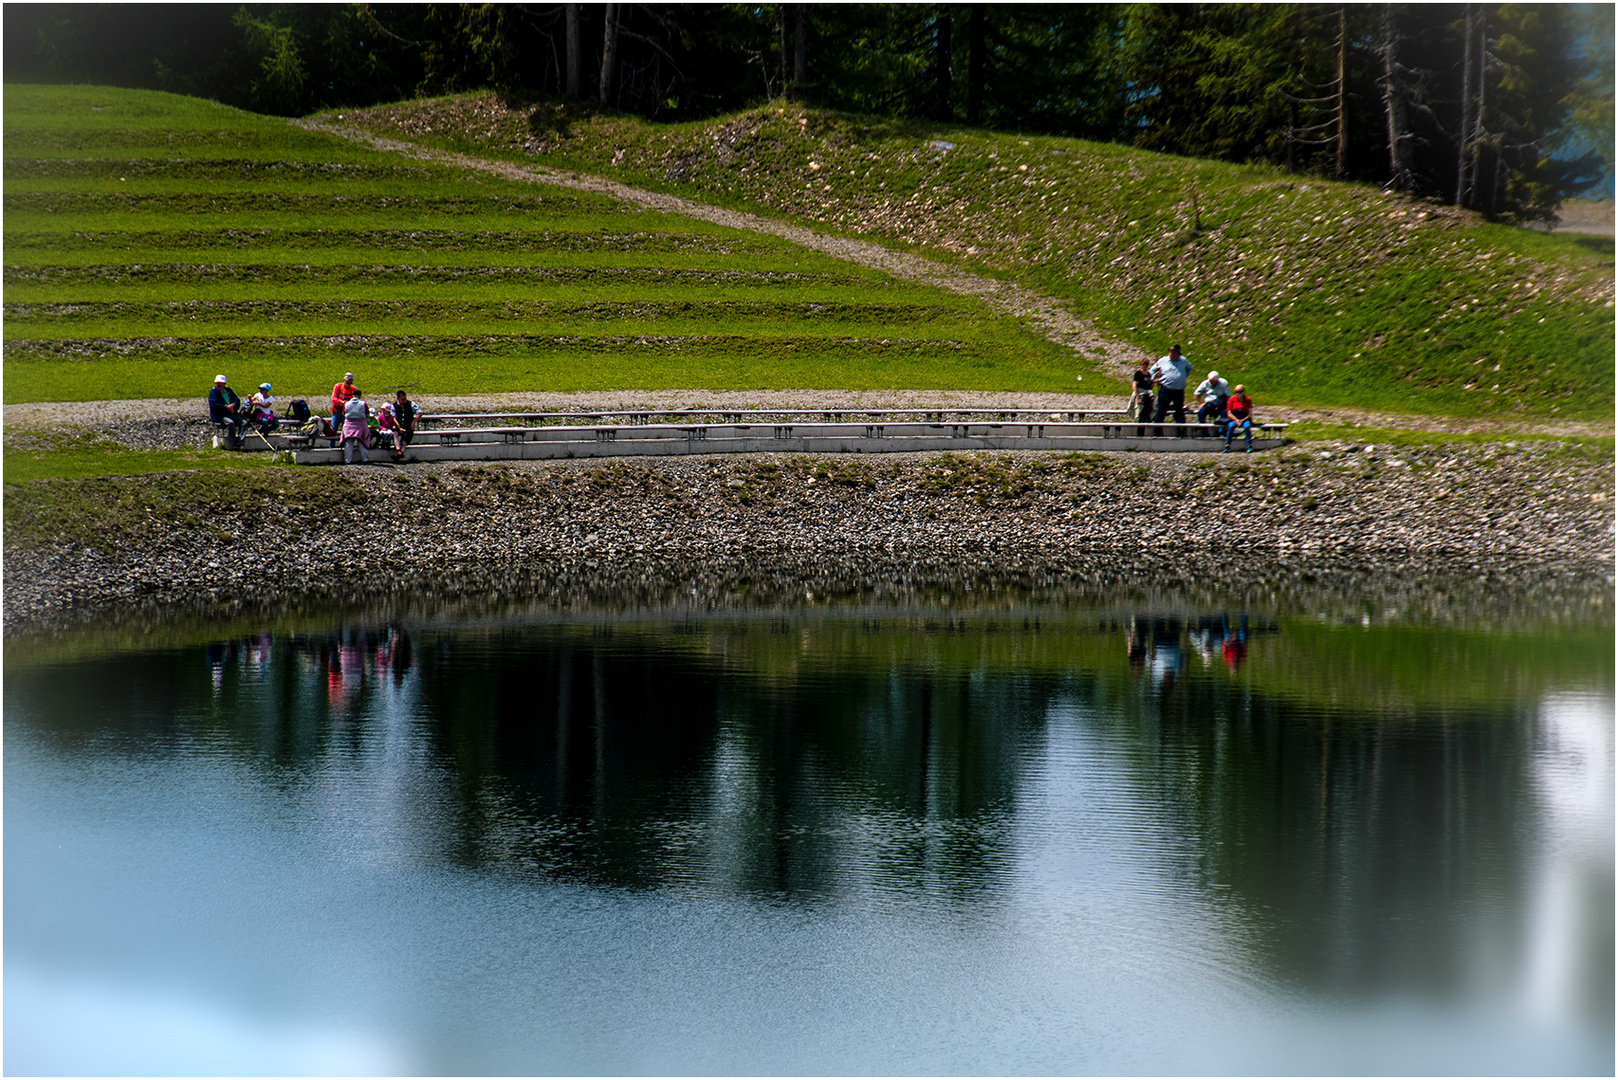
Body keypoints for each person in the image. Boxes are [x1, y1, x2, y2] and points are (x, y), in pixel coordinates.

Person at [1150, 344, 1193, 432]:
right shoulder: (1163, 360)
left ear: (1178, 353)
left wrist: (1183, 376)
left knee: (1179, 412)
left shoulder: (1183, 361)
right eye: (1171, 352)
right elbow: (1152, 371)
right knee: (1161, 411)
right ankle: (1156, 433)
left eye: (1174, 352)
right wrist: (1155, 379)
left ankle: (1181, 432)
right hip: (1166, 389)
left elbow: (1190, 368)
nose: (1172, 354)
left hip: (1179, 391)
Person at [207, 374, 244, 447]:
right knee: (230, 423)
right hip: (220, 415)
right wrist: (226, 407)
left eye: (220, 383)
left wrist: (233, 406)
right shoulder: (214, 392)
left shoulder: (229, 390)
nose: (218, 385)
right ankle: (233, 442)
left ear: (224, 384)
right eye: (217, 383)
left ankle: (240, 441)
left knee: (244, 423)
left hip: (231, 413)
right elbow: (214, 404)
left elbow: (237, 400)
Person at [341, 391, 371, 464]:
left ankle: (348, 460)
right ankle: (365, 459)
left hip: (349, 424)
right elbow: (367, 414)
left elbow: (343, 413)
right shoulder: (363, 404)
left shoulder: (347, 404)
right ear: (360, 396)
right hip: (361, 424)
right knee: (362, 442)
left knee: (348, 443)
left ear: (352, 395)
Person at [1223, 384, 1255, 453]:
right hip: (1235, 417)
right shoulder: (1231, 400)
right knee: (1231, 426)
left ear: (1243, 392)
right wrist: (1236, 420)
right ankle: (1227, 445)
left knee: (1247, 427)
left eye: (1240, 392)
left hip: (1245, 418)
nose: (1238, 394)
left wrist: (1243, 420)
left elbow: (1250, 414)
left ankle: (1249, 445)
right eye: (1236, 392)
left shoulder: (1247, 400)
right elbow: (1229, 413)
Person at [1128, 358, 1155, 435]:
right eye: (1143, 364)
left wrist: (1154, 380)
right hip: (1141, 393)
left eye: (1147, 364)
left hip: (1147, 394)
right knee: (1141, 414)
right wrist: (1138, 396)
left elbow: (1150, 386)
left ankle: (1146, 425)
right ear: (1140, 365)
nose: (1145, 366)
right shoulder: (1138, 374)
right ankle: (1140, 433)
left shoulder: (1149, 374)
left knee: (1148, 412)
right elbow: (1134, 385)